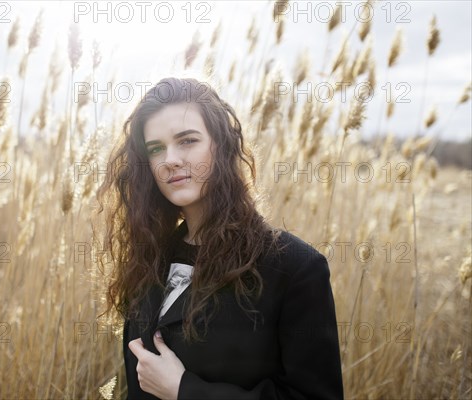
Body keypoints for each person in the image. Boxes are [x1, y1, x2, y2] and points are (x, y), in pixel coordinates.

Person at [95, 77, 344, 399]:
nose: (169, 159)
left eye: (187, 140)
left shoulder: (293, 268)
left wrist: (186, 391)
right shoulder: (148, 258)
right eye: (156, 148)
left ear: (221, 146)